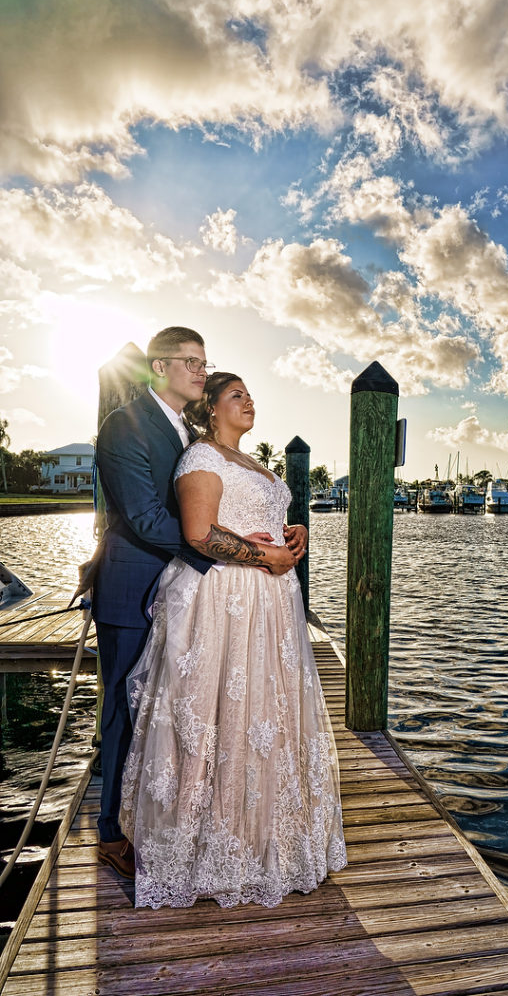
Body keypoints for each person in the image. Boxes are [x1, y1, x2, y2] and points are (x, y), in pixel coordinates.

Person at [119, 372, 346, 909]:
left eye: (251, 393)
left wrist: (297, 534)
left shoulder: (256, 465)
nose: (249, 400)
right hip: (226, 600)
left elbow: (266, 518)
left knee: (268, 716)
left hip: (271, 605)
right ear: (212, 410)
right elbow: (199, 533)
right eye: (236, 394)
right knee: (216, 712)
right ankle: (208, 848)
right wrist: (266, 556)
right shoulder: (201, 460)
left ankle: (271, 839)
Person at [93, 329, 301, 879]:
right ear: (158, 367)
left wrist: (265, 534)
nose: (201, 371)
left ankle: (182, 814)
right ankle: (113, 829)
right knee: (126, 706)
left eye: (205, 363)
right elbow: (143, 518)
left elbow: (217, 498)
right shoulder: (125, 425)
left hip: (193, 588)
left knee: (184, 707)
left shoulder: (190, 432)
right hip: (134, 584)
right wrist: (225, 547)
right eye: (191, 362)